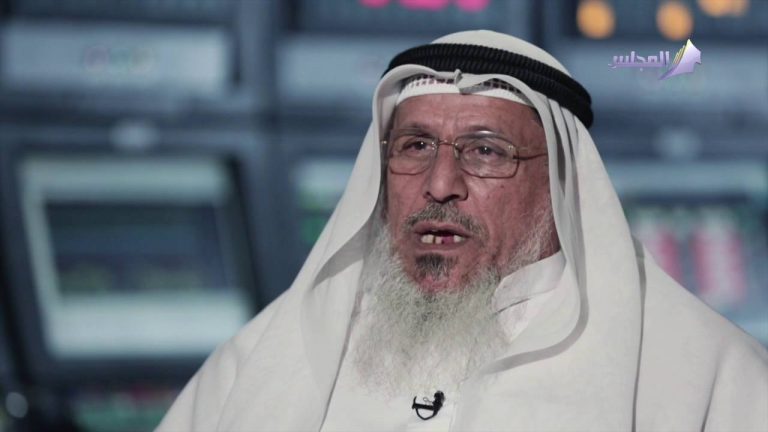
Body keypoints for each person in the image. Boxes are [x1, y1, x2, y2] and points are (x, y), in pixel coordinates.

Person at [157, 30, 768, 431]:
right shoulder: (266, 354)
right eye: (415, 146)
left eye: (486, 151)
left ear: (563, 183)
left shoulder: (707, 373)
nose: (440, 183)